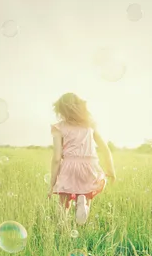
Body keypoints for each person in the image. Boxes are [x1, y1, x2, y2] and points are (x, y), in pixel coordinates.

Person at [47, 93, 116, 225]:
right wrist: (111, 170)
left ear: (60, 110)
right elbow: (105, 148)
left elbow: (56, 157)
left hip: (69, 165)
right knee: (86, 193)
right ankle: (83, 204)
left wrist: (52, 183)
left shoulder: (58, 127)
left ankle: (62, 228)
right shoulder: (90, 125)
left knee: (63, 203)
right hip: (90, 165)